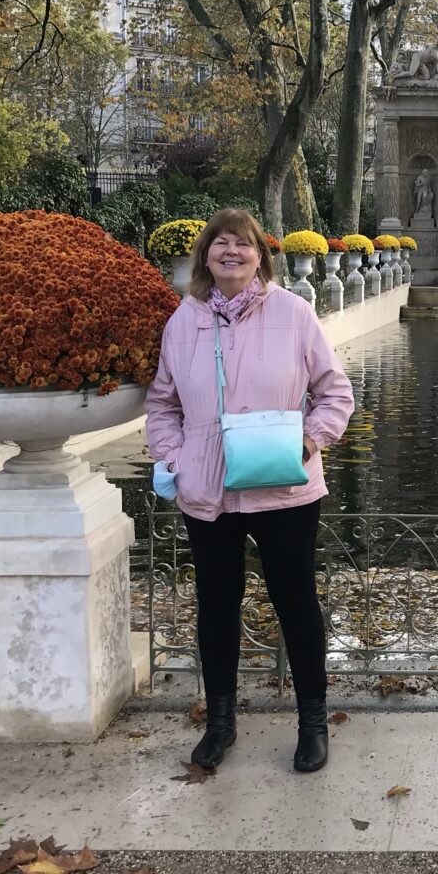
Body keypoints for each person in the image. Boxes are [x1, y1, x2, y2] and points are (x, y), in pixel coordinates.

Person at [146, 208, 355, 773]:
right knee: (216, 604)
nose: (231, 252)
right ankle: (220, 724)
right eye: (221, 243)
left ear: (260, 255)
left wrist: (308, 442)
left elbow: (335, 392)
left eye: (242, 244)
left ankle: (312, 724)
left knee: (296, 602)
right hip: (208, 489)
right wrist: (175, 456)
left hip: (283, 487)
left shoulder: (293, 312)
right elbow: (162, 403)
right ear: (206, 256)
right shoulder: (184, 320)